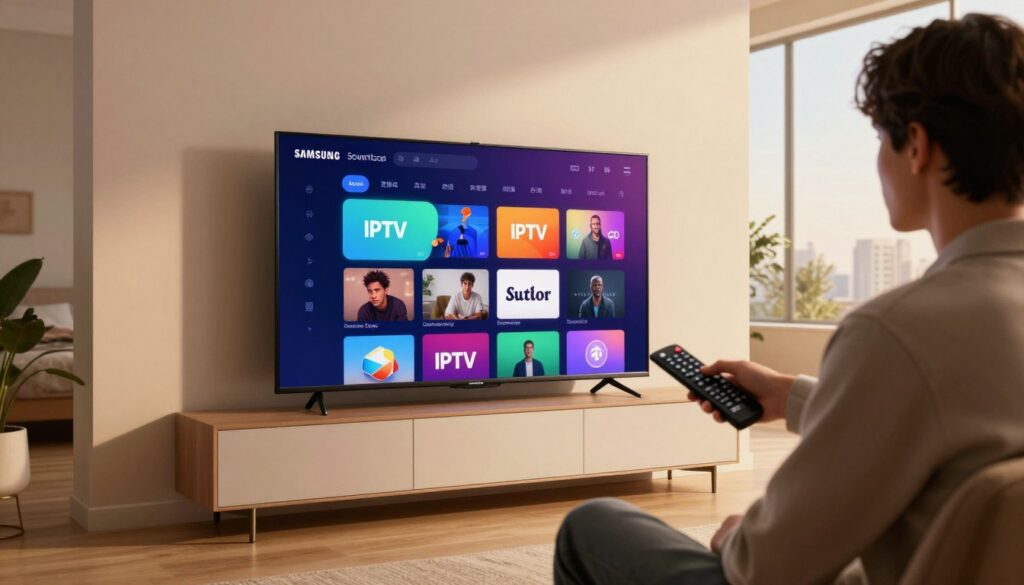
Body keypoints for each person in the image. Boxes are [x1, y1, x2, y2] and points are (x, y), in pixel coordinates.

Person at [555, 14, 1024, 585]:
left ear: (918, 145)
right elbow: (951, 413)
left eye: (880, 138)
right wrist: (791, 396)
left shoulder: (899, 331)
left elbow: (768, 568)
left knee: (593, 525)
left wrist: (737, 537)